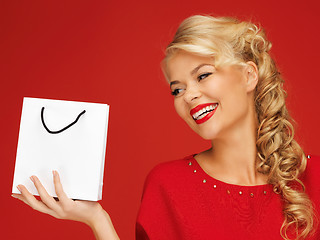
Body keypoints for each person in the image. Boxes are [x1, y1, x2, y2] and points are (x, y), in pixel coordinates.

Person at [12, 15, 320, 240]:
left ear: (249, 76)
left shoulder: (314, 178)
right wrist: (97, 219)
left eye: (202, 75)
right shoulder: (168, 185)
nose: (189, 95)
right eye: (177, 89)